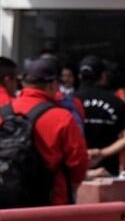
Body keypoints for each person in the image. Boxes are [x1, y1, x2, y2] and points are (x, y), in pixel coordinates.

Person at [3, 57, 90, 205]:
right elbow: (78, 164)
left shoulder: (3, 112)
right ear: (53, 85)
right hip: (51, 204)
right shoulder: (62, 117)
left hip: (6, 201)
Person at [74, 56, 125, 178]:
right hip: (107, 172)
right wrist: (102, 153)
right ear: (103, 76)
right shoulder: (116, 102)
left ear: (80, 76)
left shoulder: (69, 102)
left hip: (76, 172)